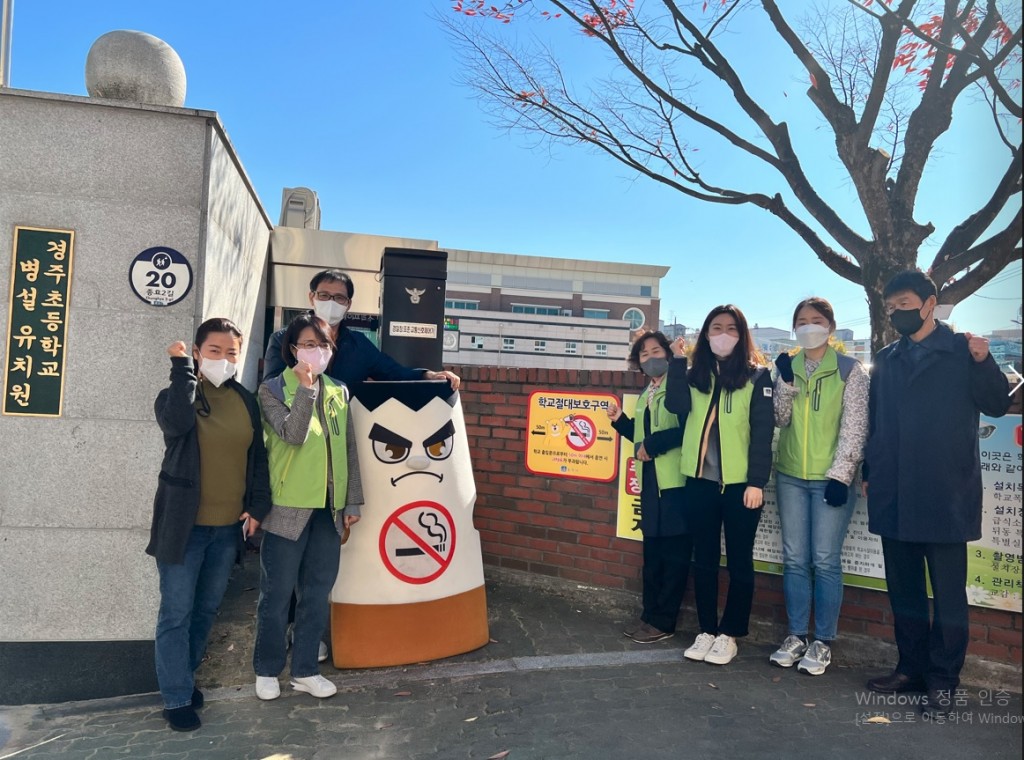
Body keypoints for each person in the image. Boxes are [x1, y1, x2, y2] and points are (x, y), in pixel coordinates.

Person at [863, 271, 1011, 718]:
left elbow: (997, 403)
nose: (896, 314)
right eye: (890, 308)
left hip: (945, 490)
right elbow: (877, 421)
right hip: (895, 488)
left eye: (904, 303)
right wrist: (872, 469)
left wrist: (985, 362)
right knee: (903, 590)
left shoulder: (963, 352)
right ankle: (910, 668)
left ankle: (944, 681)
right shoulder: (886, 358)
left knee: (948, 594)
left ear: (930, 303)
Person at [148, 318, 271, 732]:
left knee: (205, 610)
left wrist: (256, 508)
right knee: (176, 613)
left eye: (231, 352)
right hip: (184, 528)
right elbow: (177, 424)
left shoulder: (244, 399)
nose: (224, 359)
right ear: (199, 352)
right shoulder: (177, 394)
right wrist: (181, 367)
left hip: (226, 530)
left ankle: (183, 677)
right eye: (214, 351)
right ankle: (176, 696)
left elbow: (257, 460)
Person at [253, 314, 363, 701]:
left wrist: (351, 501)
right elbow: (292, 435)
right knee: (277, 594)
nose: (316, 352)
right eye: (308, 345)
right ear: (292, 349)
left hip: (328, 510)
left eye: (324, 345)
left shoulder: (339, 390)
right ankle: (267, 669)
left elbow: (348, 449)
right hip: (288, 508)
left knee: (317, 593)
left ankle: (305, 670)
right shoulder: (271, 389)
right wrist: (305, 389)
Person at [664, 305, 774, 666]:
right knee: (705, 559)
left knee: (740, 560)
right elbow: (676, 404)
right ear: (705, 334)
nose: (722, 334)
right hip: (700, 483)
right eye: (715, 328)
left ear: (741, 335)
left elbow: (762, 434)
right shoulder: (696, 376)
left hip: (742, 486)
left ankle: (730, 634)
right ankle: (707, 629)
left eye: (730, 328)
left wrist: (757, 482)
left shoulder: (757, 377)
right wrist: (679, 361)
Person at [769, 297, 868, 675]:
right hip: (791, 475)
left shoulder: (850, 370)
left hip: (831, 480)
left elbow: (856, 426)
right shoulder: (786, 367)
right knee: (794, 558)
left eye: (816, 320)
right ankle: (796, 635)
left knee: (825, 560)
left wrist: (842, 474)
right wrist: (787, 385)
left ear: (830, 325)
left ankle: (823, 640)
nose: (809, 326)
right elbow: (779, 419)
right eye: (802, 321)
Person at [608, 331, 692, 644]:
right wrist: (621, 422)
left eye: (657, 351)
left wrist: (653, 444)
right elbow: (642, 439)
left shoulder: (679, 387)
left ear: (669, 355)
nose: (651, 358)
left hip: (676, 484)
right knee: (653, 555)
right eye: (644, 354)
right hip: (650, 483)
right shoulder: (647, 393)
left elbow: (686, 430)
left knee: (674, 556)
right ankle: (650, 615)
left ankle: (664, 620)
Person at [262, 268, 460, 389]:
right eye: (324, 295)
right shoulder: (283, 339)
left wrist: (430, 375)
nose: (331, 302)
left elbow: (394, 373)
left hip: (340, 435)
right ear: (311, 297)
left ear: (348, 304)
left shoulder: (359, 346)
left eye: (339, 297)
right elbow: (270, 389)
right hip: (295, 438)